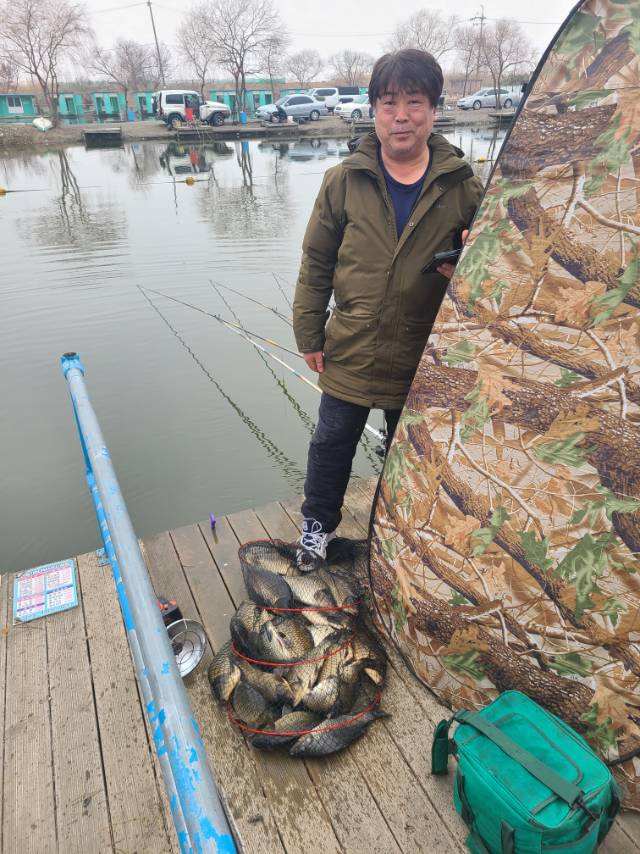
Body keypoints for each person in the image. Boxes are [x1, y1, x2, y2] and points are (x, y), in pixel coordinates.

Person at [292, 49, 484, 558]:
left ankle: (406, 535)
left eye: (414, 102)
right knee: (331, 444)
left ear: (434, 109)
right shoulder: (343, 181)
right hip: (351, 345)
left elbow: (491, 275)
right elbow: (316, 262)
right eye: (389, 103)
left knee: (414, 452)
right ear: (373, 110)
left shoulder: (464, 187)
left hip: (424, 353)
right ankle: (316, 530)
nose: (401, 116)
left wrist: (465, 269)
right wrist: (309, 335)